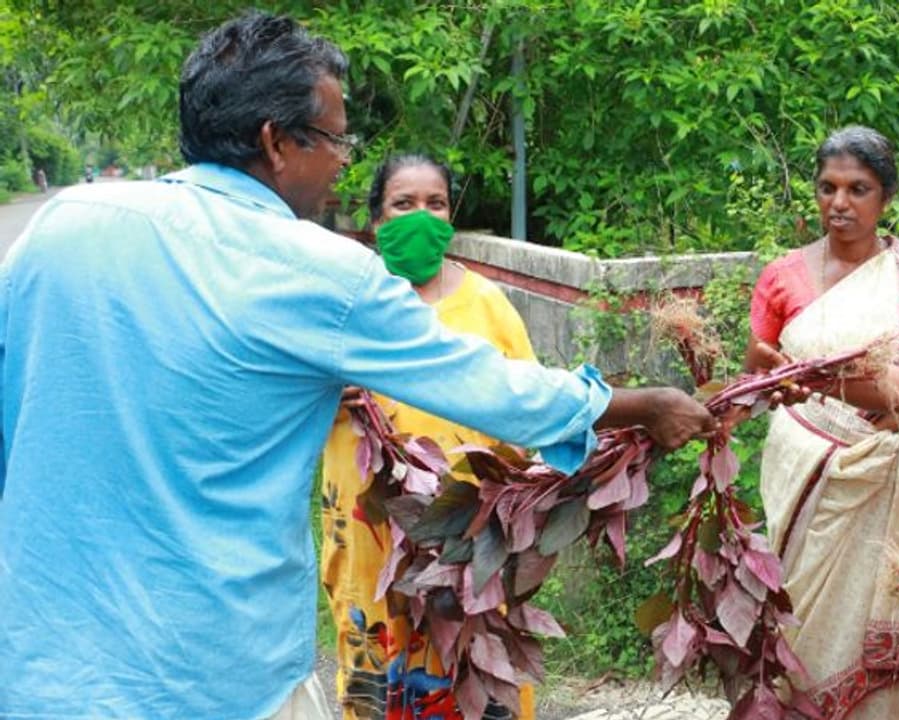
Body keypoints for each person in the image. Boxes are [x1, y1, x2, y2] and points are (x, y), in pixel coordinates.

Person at [0, 12, 715, 720]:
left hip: (44, 670)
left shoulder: (62, 227)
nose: (344, 161)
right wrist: (640, 404)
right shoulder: (315, 272)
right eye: (336, 139)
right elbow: (487, 383)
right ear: (276, 143)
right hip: (220, 676)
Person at [321, 153, 538, 720]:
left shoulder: (486, 304)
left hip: (465, 532)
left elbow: (529, 404)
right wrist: (324, 396)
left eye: (435, 203)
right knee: (380, 660)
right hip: (370, 532)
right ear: (376, 218)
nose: (421, 216)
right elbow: (280, 401)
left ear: (450, 216)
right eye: (404, 204)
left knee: (474, 664)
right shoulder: (342, 307)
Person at [746, 126, 899, 718]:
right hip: (804, 472)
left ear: (886, 197)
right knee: (796, 615)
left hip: (887, 473)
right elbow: (758, 372)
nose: (840, 203)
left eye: (858, 189)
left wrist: (825, 380)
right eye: (827, 188)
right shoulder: (783, 276)